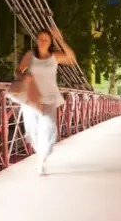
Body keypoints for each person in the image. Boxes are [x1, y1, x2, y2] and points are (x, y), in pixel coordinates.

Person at [15, 28, 76, 174]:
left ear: (50, 43)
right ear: (36, 40)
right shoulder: (30, 55)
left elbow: (71, 58)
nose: (42, 42)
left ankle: (41, 160)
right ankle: (40, 154)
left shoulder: (54, 56)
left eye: (46, 40)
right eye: (40, 39)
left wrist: (60, 39)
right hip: (31, 97)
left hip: (49, 98)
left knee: (47, 129)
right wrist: (24, 77)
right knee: (32, 130)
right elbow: (18, 70)